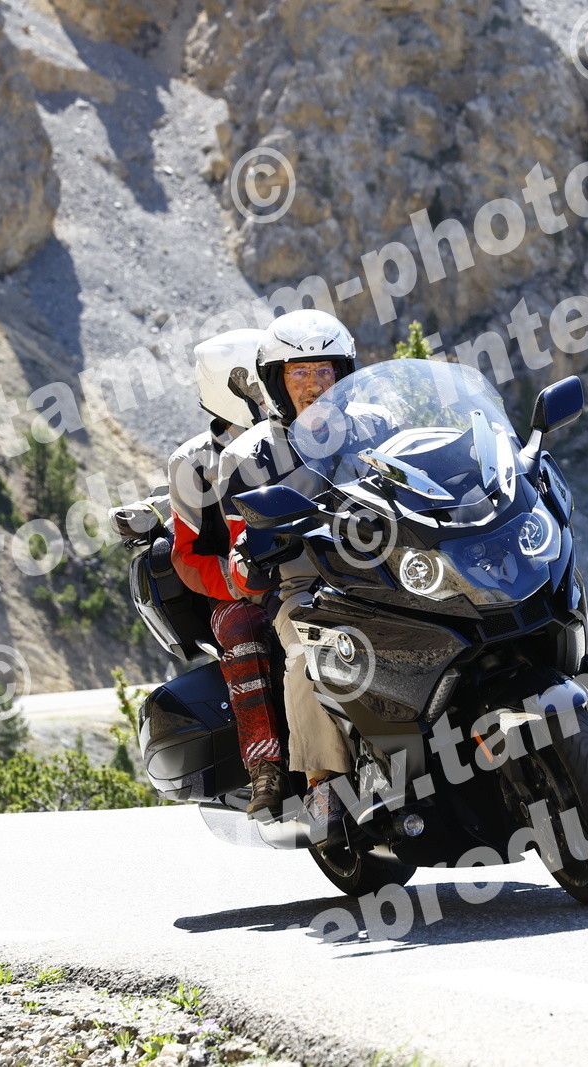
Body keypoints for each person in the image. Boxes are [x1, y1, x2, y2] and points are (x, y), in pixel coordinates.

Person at [221, 309, 360, 829]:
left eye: (324, 369)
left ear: (343, 374)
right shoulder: (251, 455)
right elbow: (239, 552)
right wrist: (254, 558)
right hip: (310, 582)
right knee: (308, 652)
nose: (313, 383)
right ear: (277, 382)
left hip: (391, 564)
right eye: (298, 372)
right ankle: (323, 783)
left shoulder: (375, 426)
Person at [167, 328, 288, 816]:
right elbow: (187, 556)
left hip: (317, 569)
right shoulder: (193, 462)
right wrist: (241, 581)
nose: (267, 388)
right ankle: (265, 767)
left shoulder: (298, 433)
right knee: (244, 631)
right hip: (239, 590)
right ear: (228, 385)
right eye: (255, 379)